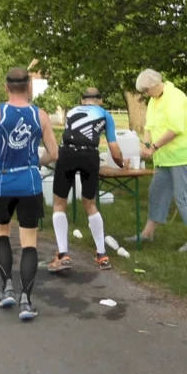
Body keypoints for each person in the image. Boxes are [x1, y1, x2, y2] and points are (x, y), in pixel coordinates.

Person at [0, 67, 58, 321]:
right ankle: (26, 302)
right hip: (29, 182)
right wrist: (37, 162)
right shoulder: (40, 115)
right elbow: (54, 153)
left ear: (6, 87)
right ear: (29, 87)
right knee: (29, 242)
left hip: (3, 182)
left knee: (2, 233)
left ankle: (7, 289)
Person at [126, 70, 187, 250]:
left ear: (155, 84)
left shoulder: (176, 97)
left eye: (147, 90)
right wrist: (147, 145)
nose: (146, 94)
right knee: (156, 192)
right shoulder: (153, 100)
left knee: (184, 195)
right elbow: (149, 127)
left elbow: (175, 129)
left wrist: (154, 147)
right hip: (164, 158)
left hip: (183, 155)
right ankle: (148, 233)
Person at [48, 87, 124, 273]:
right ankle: (101, 255)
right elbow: (114, 148)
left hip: (67, 153)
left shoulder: (71, 111)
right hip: (90, 156)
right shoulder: (105, 114)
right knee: (90, 203)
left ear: (82, 100)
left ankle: (63, 254)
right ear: (100, 100)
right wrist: (122, 164)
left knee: (59, 203)